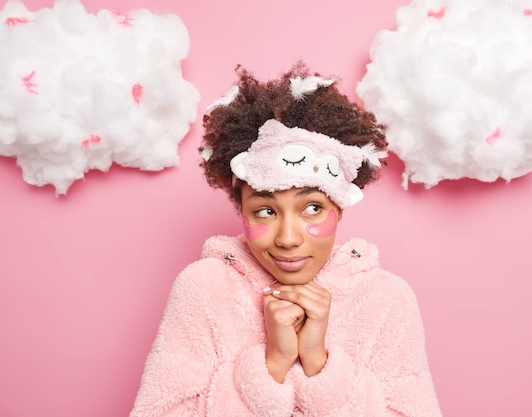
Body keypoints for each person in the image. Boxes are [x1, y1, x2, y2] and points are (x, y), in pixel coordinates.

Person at [130, 63, 442, 417]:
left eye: (311, 207)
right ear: (242, 211)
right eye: (266, 211)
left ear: (338, 208)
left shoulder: (387, 300)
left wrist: (319, 365)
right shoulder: (204, 290)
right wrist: (272, 365)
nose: (289, 238)